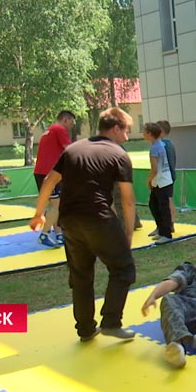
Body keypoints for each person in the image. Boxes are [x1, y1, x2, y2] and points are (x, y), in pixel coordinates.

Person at [29, 107, 138, 342]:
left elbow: (49, 181)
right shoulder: (119, 154)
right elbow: (127, 201)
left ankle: (86, 329)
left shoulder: (73, 149)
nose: (127, 137)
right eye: (126, 131)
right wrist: (128, 233)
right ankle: (111, 322)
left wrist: (39, 214)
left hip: (69, 221)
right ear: (116, 128)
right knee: (124, 269)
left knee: (81, 276)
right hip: (98, 218)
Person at [33, 110, 75, 247]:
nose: (71, 127)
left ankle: (58, 234)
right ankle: (44, 234)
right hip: (49, 173)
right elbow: (69, 150)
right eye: (71, 123)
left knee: (55, 205)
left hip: (42, 172)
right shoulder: (60, 129)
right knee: (56, 205)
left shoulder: (49, 130)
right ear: (66, 120)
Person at [144, 122, 174, 244]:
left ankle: (166, 234)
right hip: (161, 181)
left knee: (163, 208)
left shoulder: (155, 147)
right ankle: (161, 230)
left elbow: (155, 169)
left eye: (145, 131)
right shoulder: (159, 144)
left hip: (162, 181)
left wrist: (148, 180)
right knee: (154, 205)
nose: (143, 133)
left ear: (150, 134)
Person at [156, 120, 176, 233]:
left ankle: (171, 223)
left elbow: (168, 162)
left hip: (167, 177)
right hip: (167, 177)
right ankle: (167, 224)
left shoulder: (165, 145)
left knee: (168, 201)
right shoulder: (166, 144)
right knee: (167, 201)